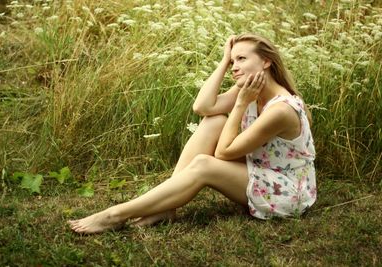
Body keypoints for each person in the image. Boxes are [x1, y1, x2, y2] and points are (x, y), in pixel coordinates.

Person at [68, 33, 317, 234]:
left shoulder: (281, 109)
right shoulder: (251, 88)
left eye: (241, 59)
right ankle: (167, 207)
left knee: (203, 165)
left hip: (287, 191)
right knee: (213, 121)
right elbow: (202, 107)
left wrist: (240, 104)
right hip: (264, 169)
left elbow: (223, 152)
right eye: (232, 62)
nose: (235, 68)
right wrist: (222, 62)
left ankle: (116, 214)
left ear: (266, 61)